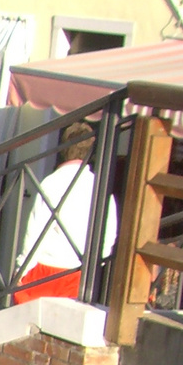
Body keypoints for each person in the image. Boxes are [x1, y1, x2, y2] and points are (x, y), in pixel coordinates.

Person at [12, 123, 119, 305]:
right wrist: (96, 263)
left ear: (63, 149)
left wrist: (21, 268)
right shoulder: (101, 188)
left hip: (45, 269)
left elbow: (36, 231)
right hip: (79, 272)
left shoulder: (52, 182)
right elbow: (108, 234)